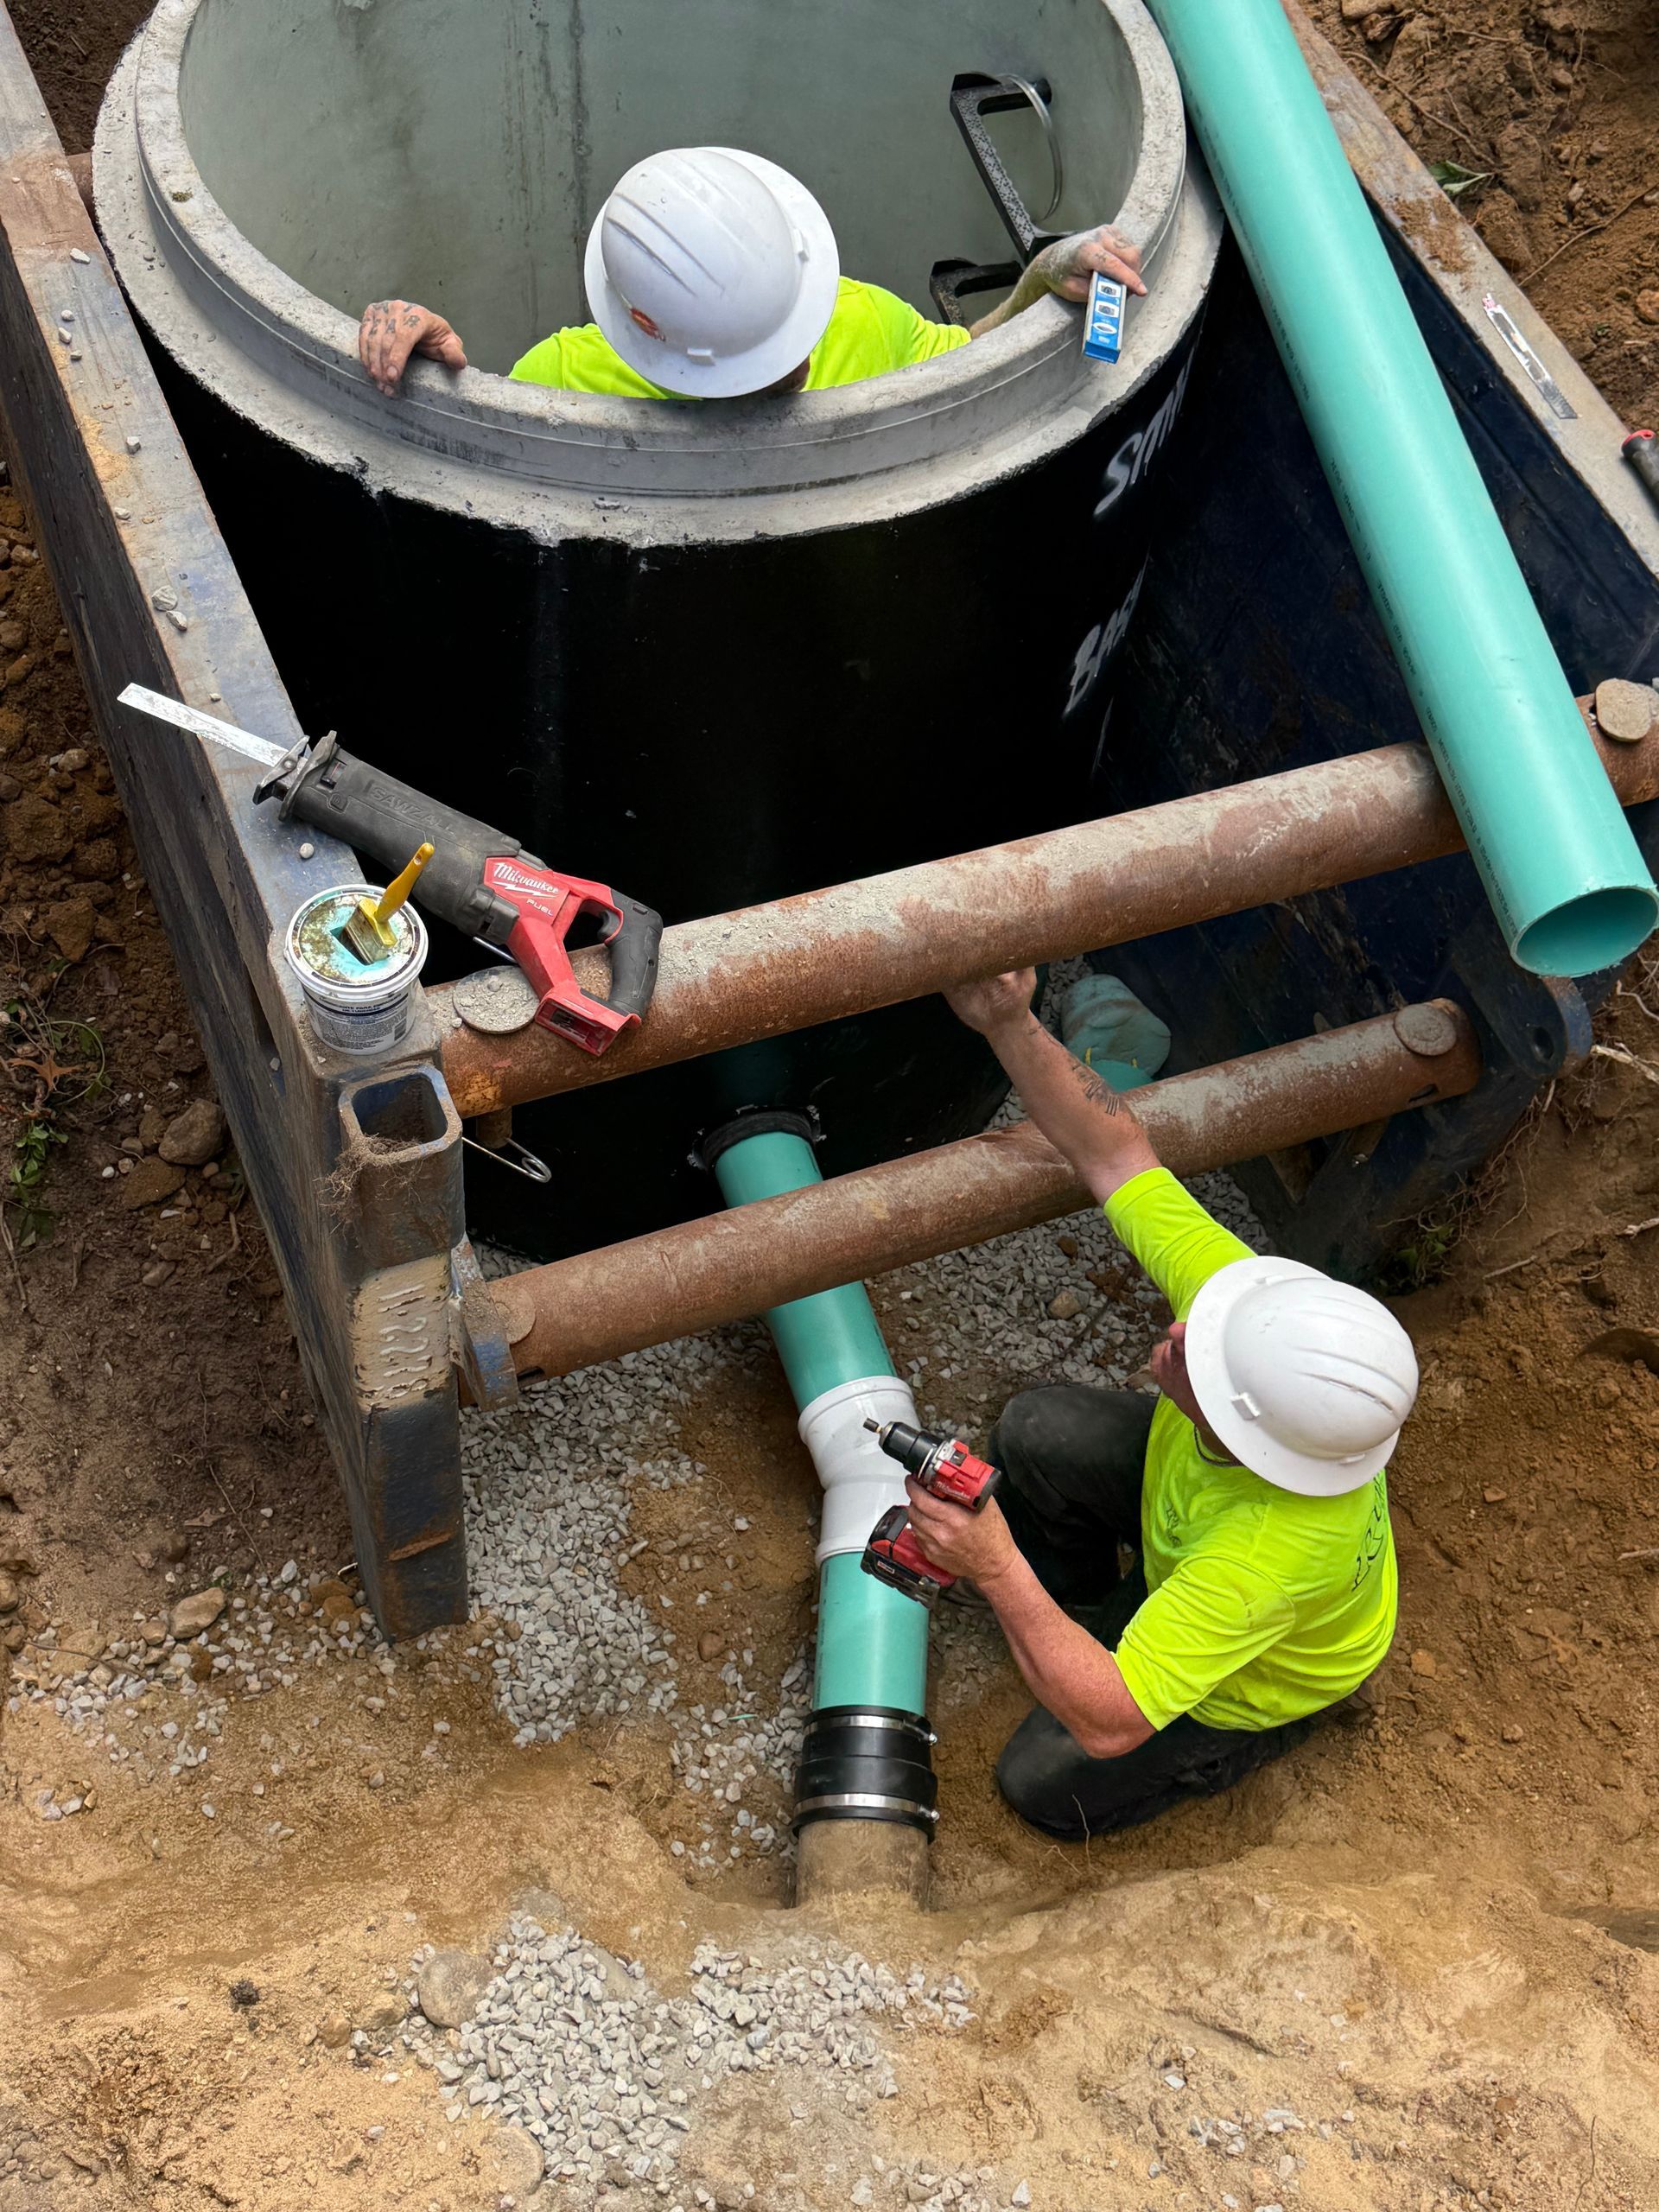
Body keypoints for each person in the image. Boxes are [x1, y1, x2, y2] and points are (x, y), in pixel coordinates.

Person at [909, 969, 1417, 1841]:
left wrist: (995, 1565)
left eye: (1203, 1366)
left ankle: (1222, 1729)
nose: (1183, 1333)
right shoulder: (1254, 1321)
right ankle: (1082, 1615)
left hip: (1256, 1672)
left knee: (1043, 1778)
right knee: (1037, 1430)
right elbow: (1116, 1154)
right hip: (1198, 1533)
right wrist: (1009, 1022)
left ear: (1244, 1433)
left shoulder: (1267, 1558)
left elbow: (1112, 1721)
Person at [358, 144, 1147, 400]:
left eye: (792, 338)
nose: (799, 365)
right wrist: (425, 367)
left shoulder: (859, 316)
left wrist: (1042, 278)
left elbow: (970, 364)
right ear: (641, 327)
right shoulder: (565, 380)